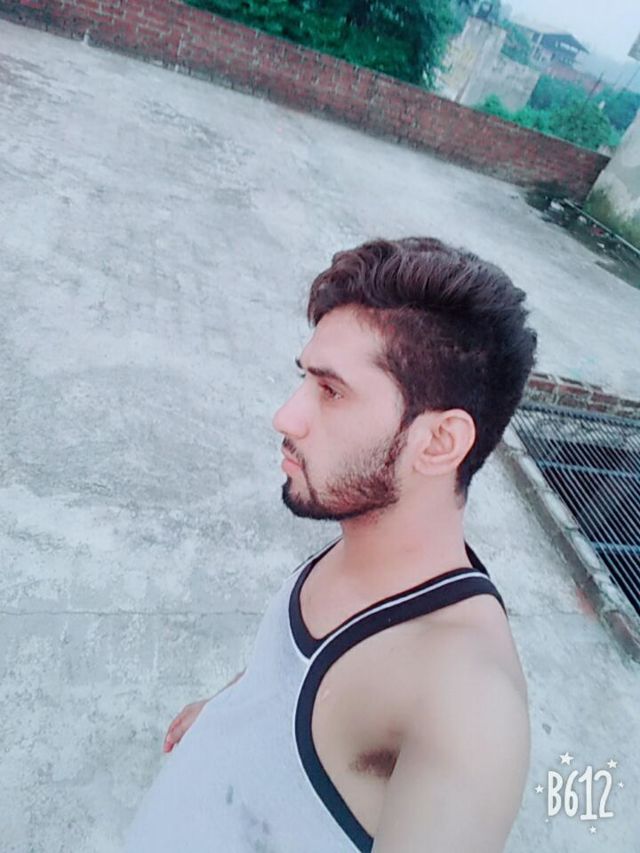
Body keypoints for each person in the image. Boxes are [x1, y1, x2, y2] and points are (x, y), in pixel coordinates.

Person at [124, 236, 537, 852]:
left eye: (331, 391)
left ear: (439, 443)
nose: (286, 417)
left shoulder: (466, 704)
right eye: (305, 379)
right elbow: (286, 671)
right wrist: (230, 706)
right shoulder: (365, 531)